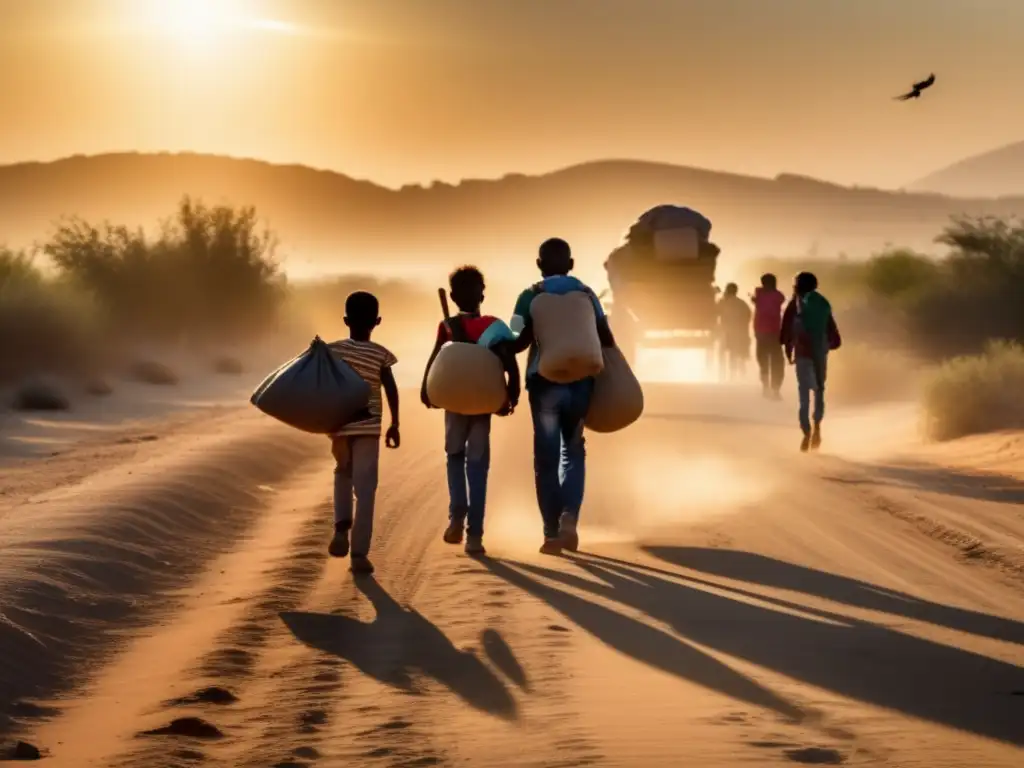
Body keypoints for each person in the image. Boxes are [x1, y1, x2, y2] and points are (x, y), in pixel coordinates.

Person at [510, 237, 615, 555]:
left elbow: (516, 336)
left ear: (539, 264)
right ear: (571, 265)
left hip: (544, 384)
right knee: (573, 451)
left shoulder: (528, 295)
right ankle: (570, 517)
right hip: (582, 382)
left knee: (546, 459)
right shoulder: (587, 293)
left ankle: (551, 534)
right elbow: (605, 335)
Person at [421, 266, 520, 556]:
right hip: (482, 406)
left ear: (452, 296)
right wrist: (510, 397)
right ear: (482, 295)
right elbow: (508, 364)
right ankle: (474, 534)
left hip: (453, 404)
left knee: (454, 456)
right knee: (477, 465)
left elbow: (436, 361)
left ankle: (456, 515)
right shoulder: (493, 326)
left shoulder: (447, 326)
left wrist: (427, 391)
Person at [326, 291, 400, 574]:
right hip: (369, 428)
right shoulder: (381, 354)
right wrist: (395, 423)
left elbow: (318, 381)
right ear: (377, 321)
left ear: (345, 320)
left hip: (339, 426)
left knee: (342, 473)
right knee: (365, 490)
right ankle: (359, 555)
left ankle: (341, 529)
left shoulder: (333, 351)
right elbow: (390, 389)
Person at [780, 272, 842, 452]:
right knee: (820, 390)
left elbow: (786, 332)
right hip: (820, 352)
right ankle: (817, 427)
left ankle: (806, 431)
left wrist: (788, 351)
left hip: (802, 353)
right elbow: (833, 332)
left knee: (804, 394)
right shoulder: (823, 302)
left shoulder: (795, 304)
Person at [751, 273, 787, 398]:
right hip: (775, 332)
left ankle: (766, 387)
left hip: (761, 333)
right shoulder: (778, 296)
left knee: (763, 361)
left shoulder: (759, 294)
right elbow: (779, 301)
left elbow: (759, 300)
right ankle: (775, 389)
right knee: (777, 361)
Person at [716, 283, 752, 381]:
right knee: (733, 353)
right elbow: (748, 316)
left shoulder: (723, 302)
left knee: (722, 353)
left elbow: (715, 312)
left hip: (725, 331)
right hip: (737, 332)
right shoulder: (741, 303)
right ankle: (732, 375)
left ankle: (722, 374)